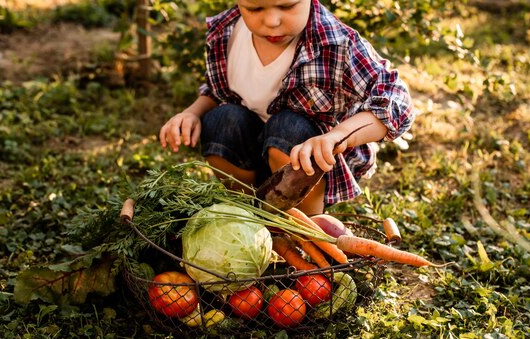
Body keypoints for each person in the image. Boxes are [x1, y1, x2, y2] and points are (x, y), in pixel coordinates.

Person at [159, 0, 414, 215]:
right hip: (251, 158)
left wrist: (336, 137)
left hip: (306, 165)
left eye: (287, 5)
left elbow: (395, 98)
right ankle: (247, 211)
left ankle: (303, 223)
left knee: (288, 126)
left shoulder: (337, 44)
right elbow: (217, 91)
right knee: (222, 119)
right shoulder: (225, 33)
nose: (271, 20)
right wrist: (192, 113)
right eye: (254, 8)